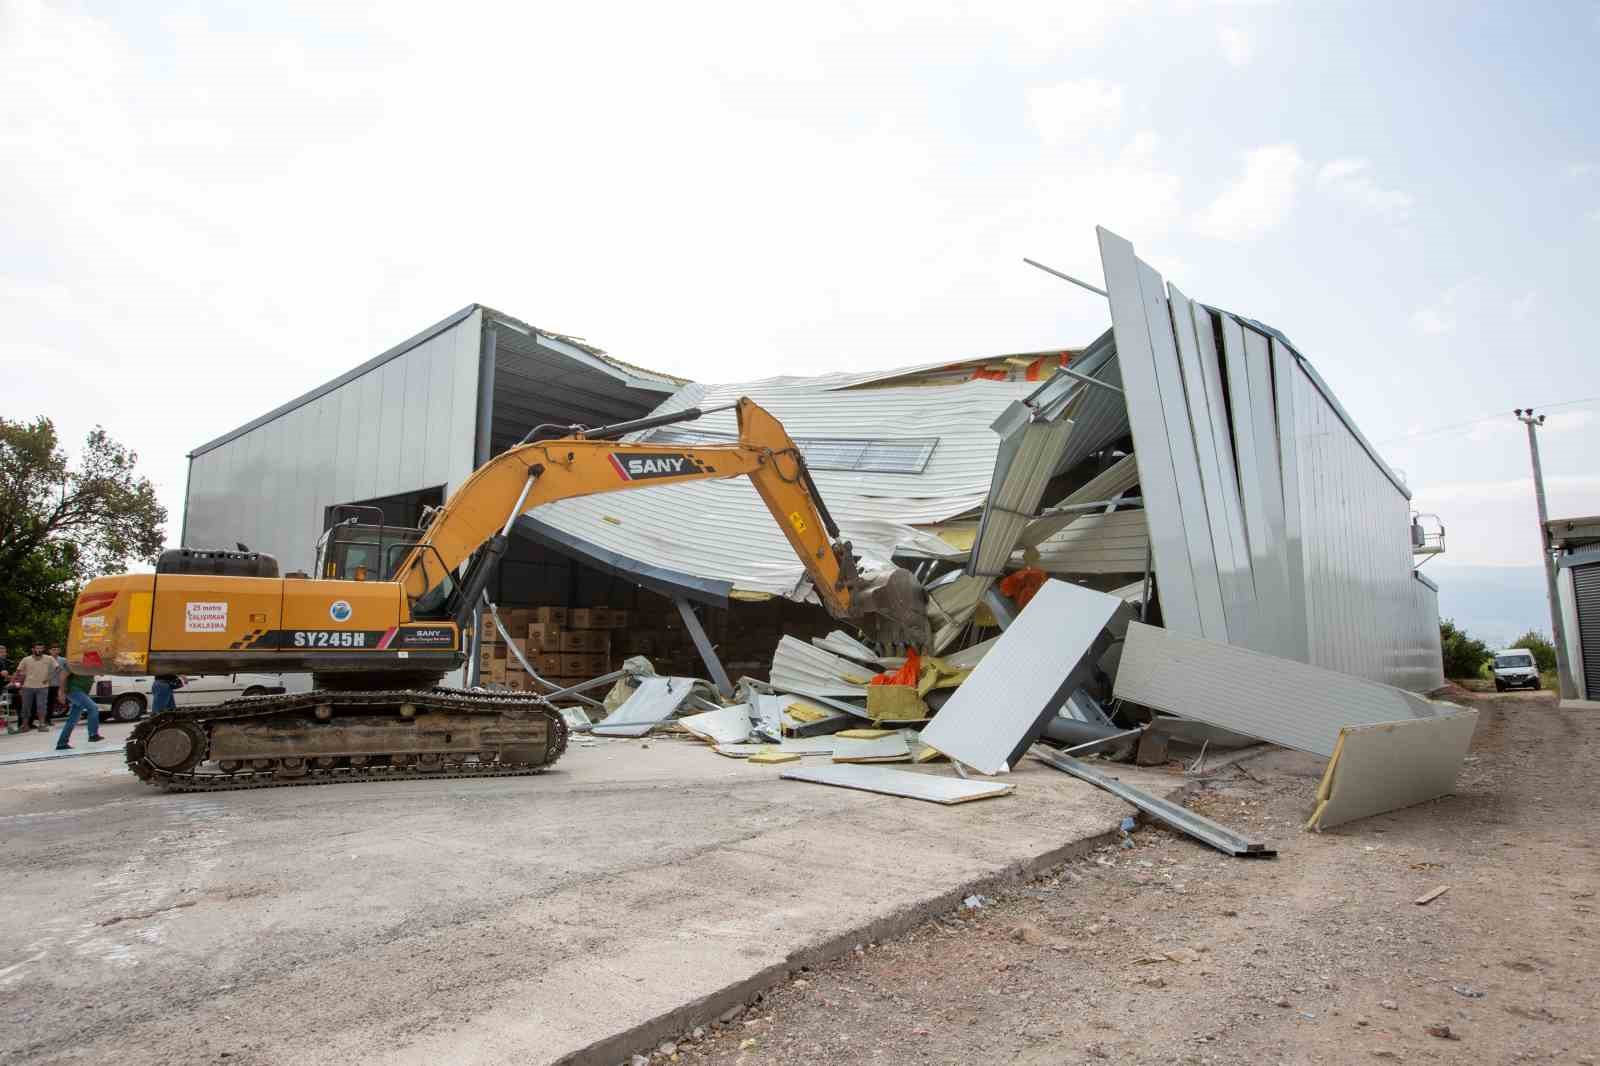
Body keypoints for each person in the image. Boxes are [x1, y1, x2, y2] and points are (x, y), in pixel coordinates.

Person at [55, 668, 104, 750]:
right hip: (74, 690)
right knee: (93, 708)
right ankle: (93, 734)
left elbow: (101, 672)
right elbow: (62, 676)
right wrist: (61, 692)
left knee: (73, 719)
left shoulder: (91, 661)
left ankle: (62, 743)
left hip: (82, 692)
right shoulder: (74, 660)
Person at [13, 642, 55, 732]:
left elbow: (57, 668)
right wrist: (18, 685)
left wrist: (49, 677)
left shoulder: (49, 658)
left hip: (43, 687)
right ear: (33, 649)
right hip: (27, 687)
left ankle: (42, 725)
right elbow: (18, 672)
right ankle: (25, 726)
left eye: (41, 648)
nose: (39, 650)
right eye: (37, 648)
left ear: (43, 649)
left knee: (42, 706)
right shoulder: (26, 659)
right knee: (26, 706)